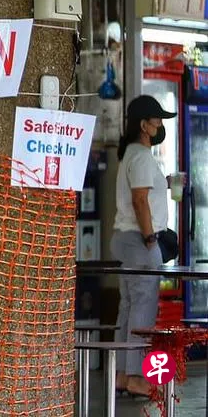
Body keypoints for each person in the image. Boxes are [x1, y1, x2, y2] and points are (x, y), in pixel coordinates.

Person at [112, 94, 177, 397]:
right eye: (157, 120)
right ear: (143, 125)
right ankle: (138, 377)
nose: (160, 125)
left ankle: (122, 375)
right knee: (143, 307)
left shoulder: (131, 154)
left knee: (128, 307)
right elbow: (140, 201)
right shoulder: (140, 155)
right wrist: (151, 239)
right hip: (139, 240)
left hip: (125, 239)